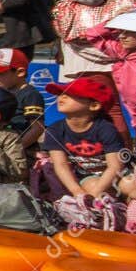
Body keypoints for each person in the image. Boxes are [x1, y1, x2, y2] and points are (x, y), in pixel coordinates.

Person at [35, 76, 126, 231]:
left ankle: (112, 214)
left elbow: (115, 167)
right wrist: (78, 193)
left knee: (126, 185)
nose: (61, 97)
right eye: (61, 93)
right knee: (89, 184)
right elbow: (61, 165)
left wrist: (96, 192)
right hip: (82, 179)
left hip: (112, 178)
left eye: (69, 94)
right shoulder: (55, 129)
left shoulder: (106, 129)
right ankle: (96, 216)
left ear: (94, 105)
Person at [81, 4, 136, 144]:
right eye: (121, 31)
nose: (122, 36)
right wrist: (116, 19)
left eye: (130, 32)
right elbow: (93, 35)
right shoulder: (127, 53)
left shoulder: (134, 65)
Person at [0, 47, 45, 139]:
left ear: (20, 72)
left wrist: (17, 147)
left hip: (17, 146)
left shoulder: (30, 95)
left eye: (0, 73)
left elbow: (37, 128)